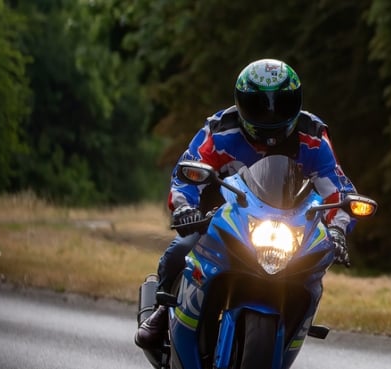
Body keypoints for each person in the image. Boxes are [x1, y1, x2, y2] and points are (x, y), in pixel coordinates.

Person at [135, 58, 357, 350]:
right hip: (223, 213)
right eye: (258, 105)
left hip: (289, 223)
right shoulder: (220, 130)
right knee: (182, 248)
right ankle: (164, 310)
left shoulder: (312, 136)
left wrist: (338, 229)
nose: (270, 114)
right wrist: (186, 209)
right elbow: (186, 173)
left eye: (282, 104)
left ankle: (294, 324)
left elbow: (337, 189)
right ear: (240, 104)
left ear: (298, 102)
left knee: (315, 265)